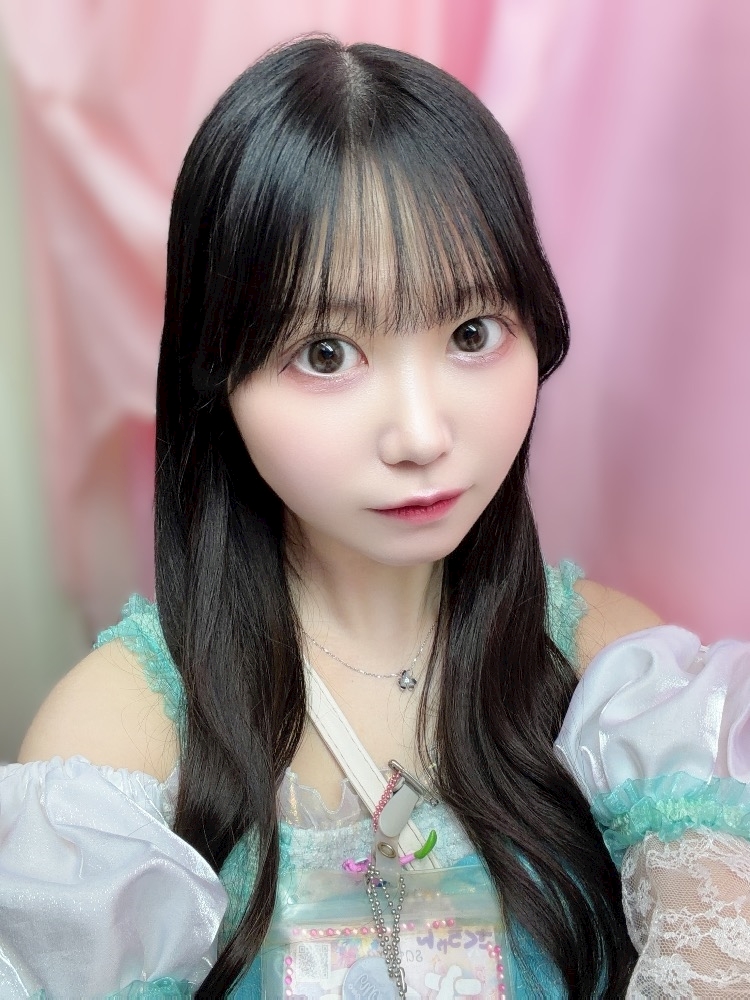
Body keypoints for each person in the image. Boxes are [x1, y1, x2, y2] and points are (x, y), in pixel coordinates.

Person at [2, 35, 748, 999]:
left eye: (472, 333)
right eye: (326, 353)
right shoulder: (120, 744)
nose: (421, 434)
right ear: (216, 375)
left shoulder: (626, 688)